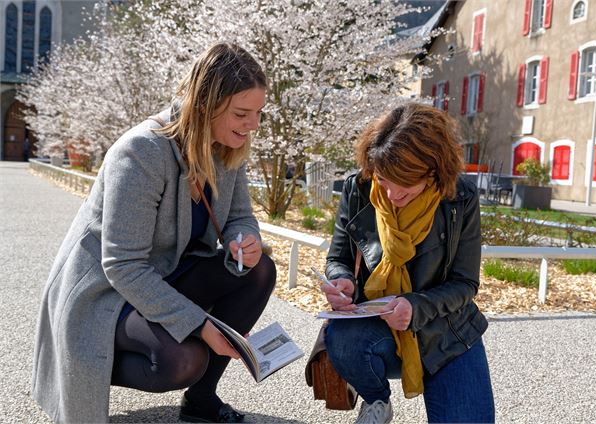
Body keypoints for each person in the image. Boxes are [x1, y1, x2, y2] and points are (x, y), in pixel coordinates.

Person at [32, 43, 276, 423]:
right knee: (183, 360)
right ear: (204, 105)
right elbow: (124, 266)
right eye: (242, 113)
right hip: (106, 292)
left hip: (166, 273)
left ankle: (200, 401)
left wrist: (242, 239)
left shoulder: (226, 146)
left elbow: (240, 216)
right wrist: (199, 325)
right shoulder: (141, 152)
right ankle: (86, 361)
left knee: (259, 270)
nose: (254, 125)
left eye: (258, 113)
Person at [320, 103, 495, 424]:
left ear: (434, 171)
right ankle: (376, 401)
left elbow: (465, 284)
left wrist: (416, 307)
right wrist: (341, 279)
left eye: (406, 182)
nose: (393, 193)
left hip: (448, 331)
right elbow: (338, 258)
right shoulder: (359, 188)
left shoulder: (461, 197)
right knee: (343, 339)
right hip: (376, 326)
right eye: (385, 180)